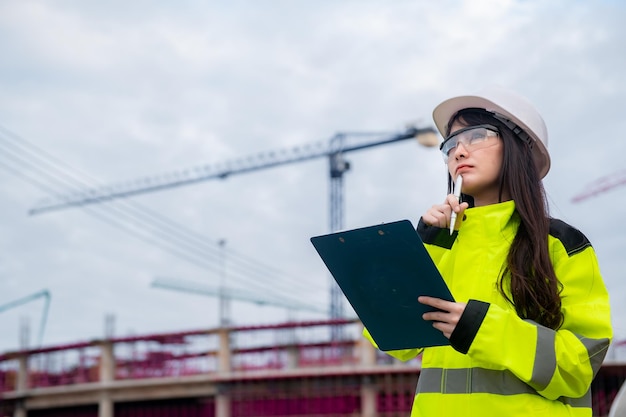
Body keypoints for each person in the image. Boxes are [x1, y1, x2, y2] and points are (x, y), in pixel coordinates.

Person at [364, 86, 612, 416]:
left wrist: (484, 329)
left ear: (518, 147)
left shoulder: (561, 244)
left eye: (476, 136)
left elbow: (579, 368)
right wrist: (425, 246)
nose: (458, 152)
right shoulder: (442, 242)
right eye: (450, 144)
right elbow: (393, 340)